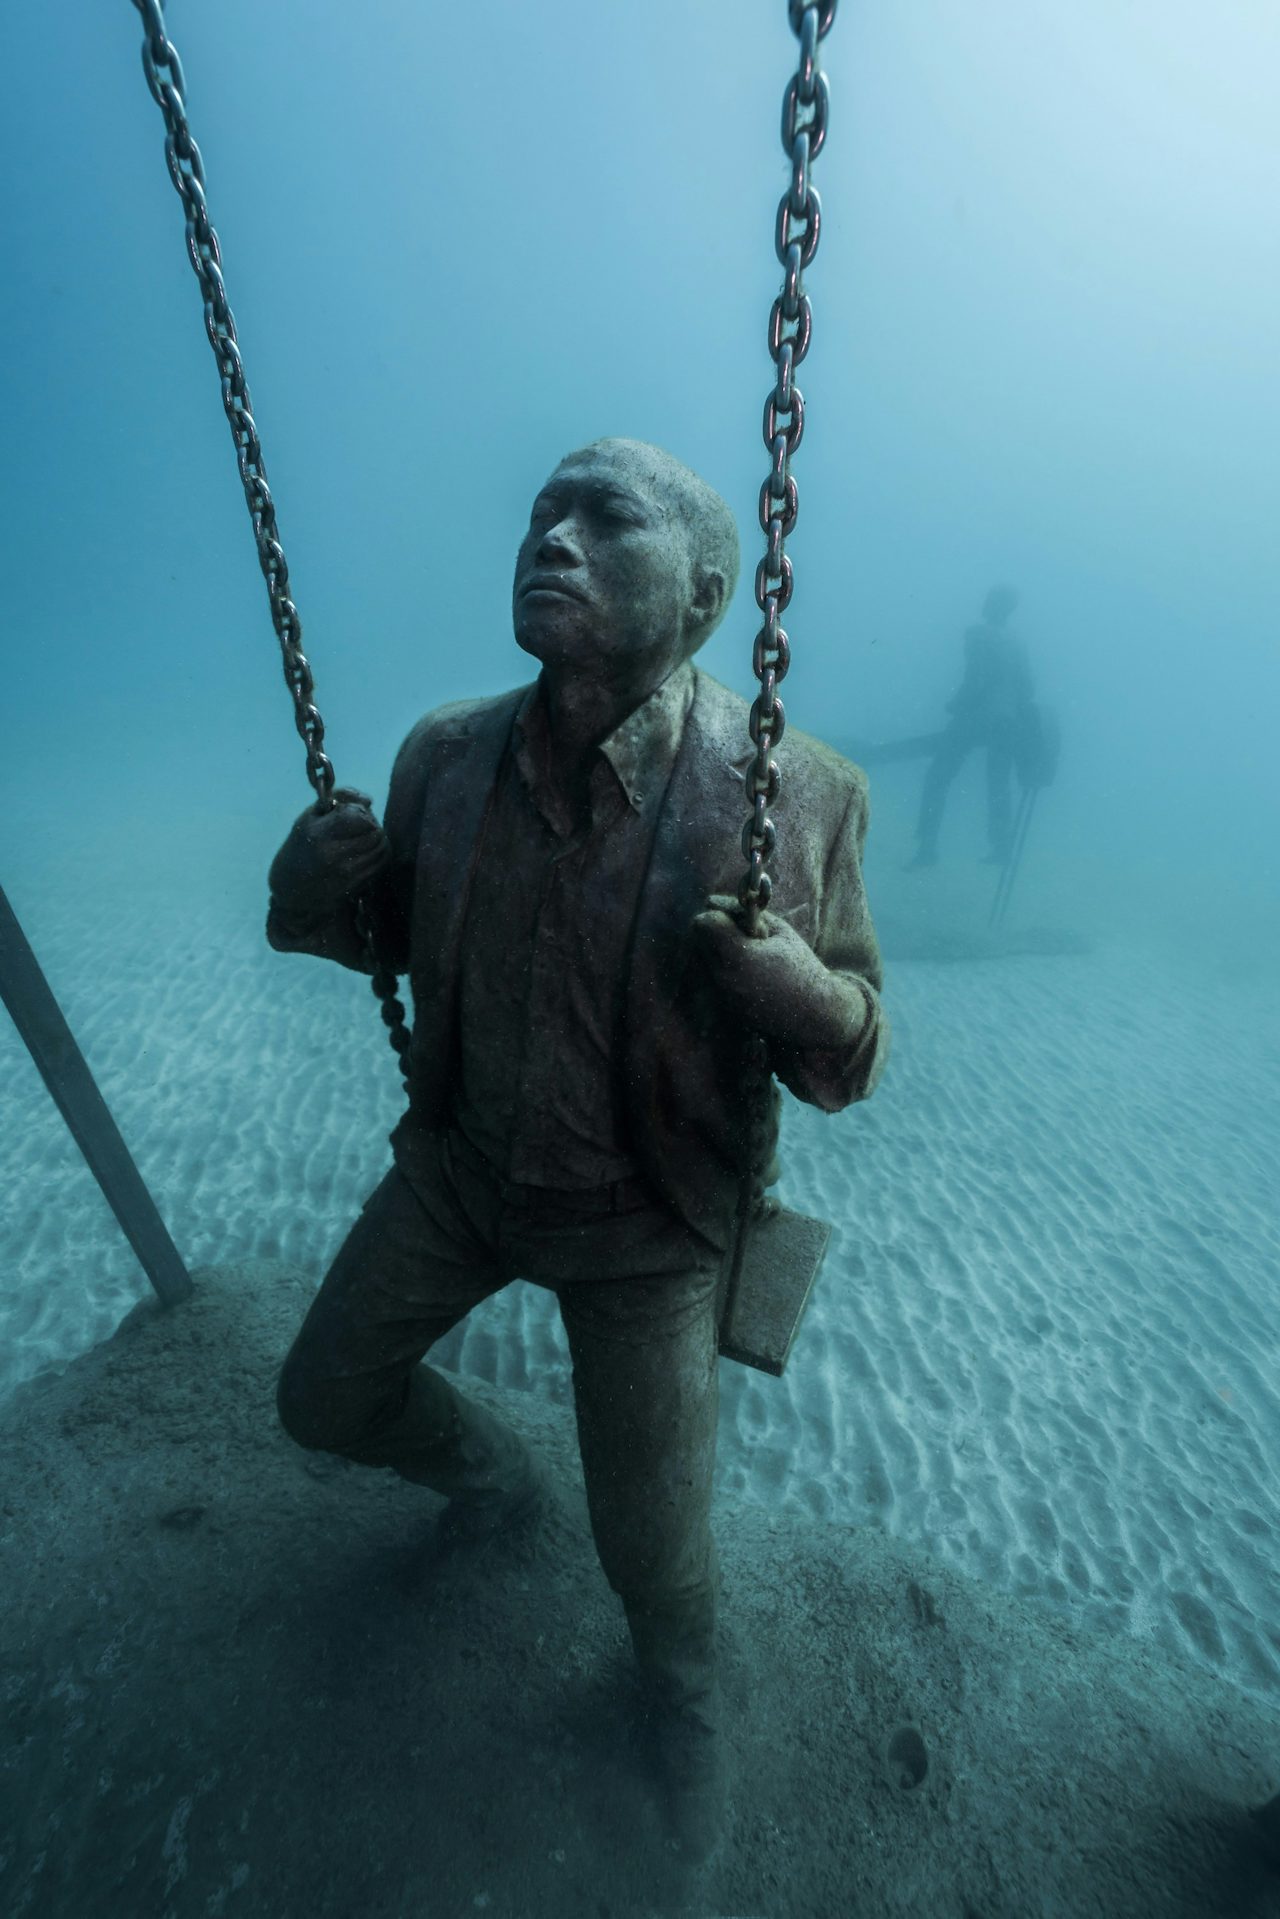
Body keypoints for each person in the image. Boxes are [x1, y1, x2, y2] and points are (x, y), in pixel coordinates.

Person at [265, 438, 888, 1862]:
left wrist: (811, 996)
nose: (554, 536)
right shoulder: (442, 753)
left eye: (607, 519)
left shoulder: (797, 796)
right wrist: (301, 901)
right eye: (543, 511)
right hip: (463, 1176)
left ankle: (683, 1695)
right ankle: (490, 1478)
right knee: (319, 1396)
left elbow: (847, 1056)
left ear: (709, 592)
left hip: (647, 1226)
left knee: (657, 1554)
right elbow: (389, 933)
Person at [907, 584, 1035, 868]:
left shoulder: (978, 634)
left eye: (989, 600)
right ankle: (1001, 846)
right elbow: (1028, 689)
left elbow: (977, 679)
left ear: (994, 605)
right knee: (998, 784)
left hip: (976, 718)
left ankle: (927, 848)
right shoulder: (1018, 642)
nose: (985, 603)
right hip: (1008, 722)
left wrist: (956, 705)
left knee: (938, 778)